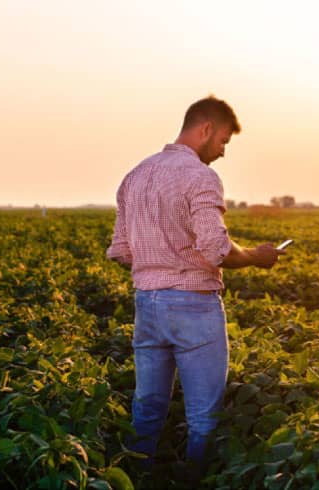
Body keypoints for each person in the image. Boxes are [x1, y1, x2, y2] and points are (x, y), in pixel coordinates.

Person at [106, 95, 283, 476]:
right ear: (205, 129)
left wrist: (160, 261)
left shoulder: (135, 175)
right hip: (192, 305)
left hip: (147, 304)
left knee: (147, 406)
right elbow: (217, 249)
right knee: (204, 415)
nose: (221, 152)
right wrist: (257, 255)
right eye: (222, 141)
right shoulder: (200, 176)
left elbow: (121, 251)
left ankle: (136, 477)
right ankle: (194, 480)